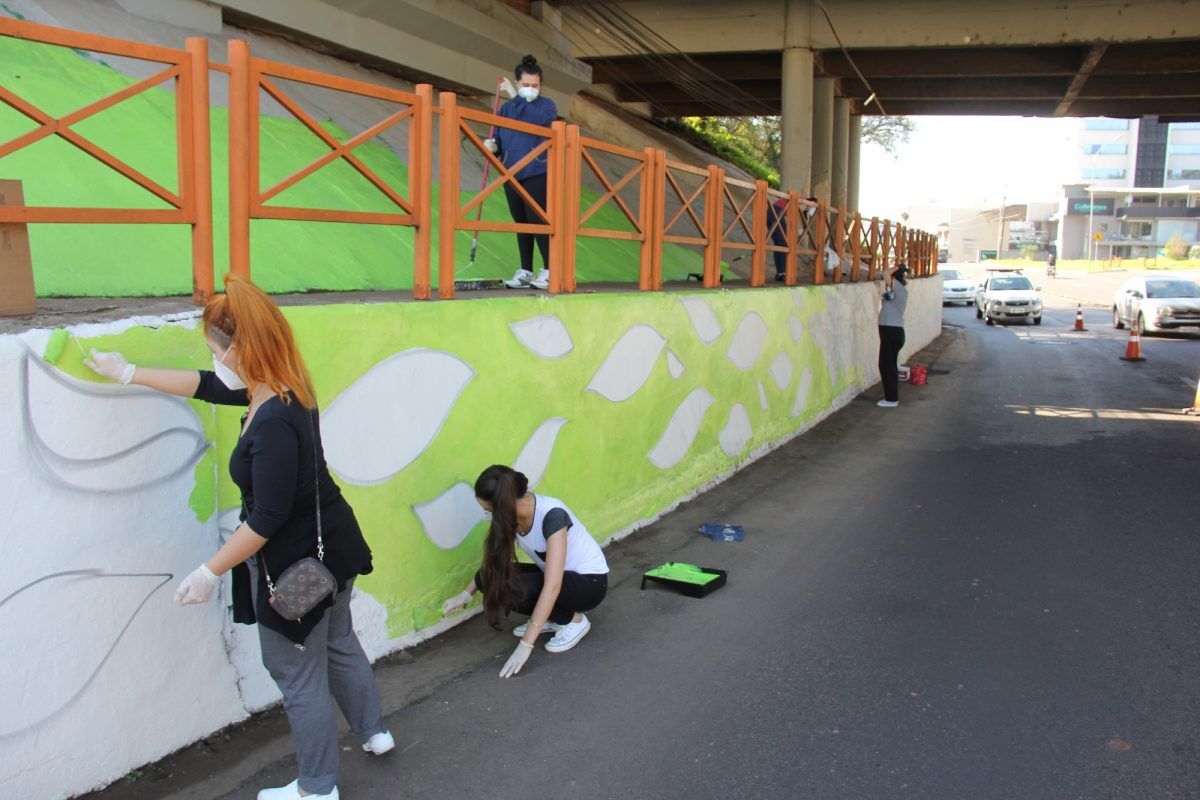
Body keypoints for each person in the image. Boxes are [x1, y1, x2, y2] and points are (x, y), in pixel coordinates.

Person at [85, 276, 391, 800]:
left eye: (218, 351)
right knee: (340, 641)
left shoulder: (270, 420)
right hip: (334, 548)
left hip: (297, 570)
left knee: (296, 676)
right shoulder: (287, 385)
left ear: (242, 349)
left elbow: (266, 519)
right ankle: (375, 733)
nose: (216, 362)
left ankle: (318, 789)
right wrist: (130, 373)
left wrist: (210, 571)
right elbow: (207, 384)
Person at [442, 465, 608, 678]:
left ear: (502, 505)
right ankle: (554, 617)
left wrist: (525, 645)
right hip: (556, 580)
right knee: (490, 579)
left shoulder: (552, 516)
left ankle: (573, 620)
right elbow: (495, 565)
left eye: (489, 510)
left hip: (588, 585)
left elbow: (553, 585)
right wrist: (465, 594)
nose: (487, 515)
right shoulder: (512, 515)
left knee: (515, 587)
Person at [484, 55, 558, 291]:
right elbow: (499, 135)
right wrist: (493, 146)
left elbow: (539, 122)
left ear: (540, 86)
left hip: (537, 169)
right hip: (511, 171)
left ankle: (550, 270)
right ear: (518, 82)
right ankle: (526, 270)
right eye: (525, 85)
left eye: (534, 85)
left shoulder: (546, 106)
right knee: (521, 221)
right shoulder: (506, 108)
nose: (530, 89)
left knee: (538, 220)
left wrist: (517, 97)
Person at [877, 262, 909, 408]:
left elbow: (885, 273)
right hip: (890, 332)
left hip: (892, 332)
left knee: (886, 366)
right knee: (888, 365)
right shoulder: (896, 292)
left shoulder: (900, 290)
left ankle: (891, 399)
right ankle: (890, 396)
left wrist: (898, 266)